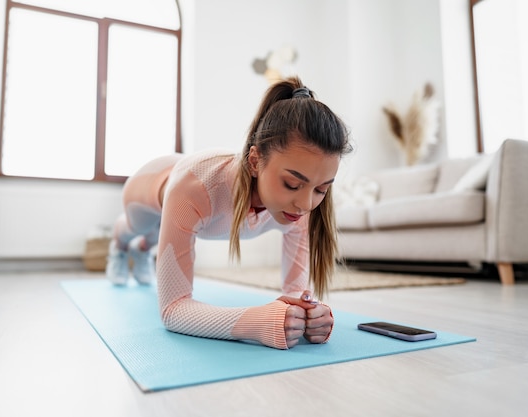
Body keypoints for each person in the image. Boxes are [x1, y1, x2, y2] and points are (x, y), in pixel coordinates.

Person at [106, 76, 353, 349]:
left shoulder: (300, 206)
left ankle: (142, 251)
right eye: (292, 184)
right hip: (152, 182)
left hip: (186, 197)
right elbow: (173, 310)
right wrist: (257, 322)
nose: (306, 204)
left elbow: (295, 295)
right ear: (255, 161)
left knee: (152, 239)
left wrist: (310, 316)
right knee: (135, 229)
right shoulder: (194, 188)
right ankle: (120, 248)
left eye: (321, 189)